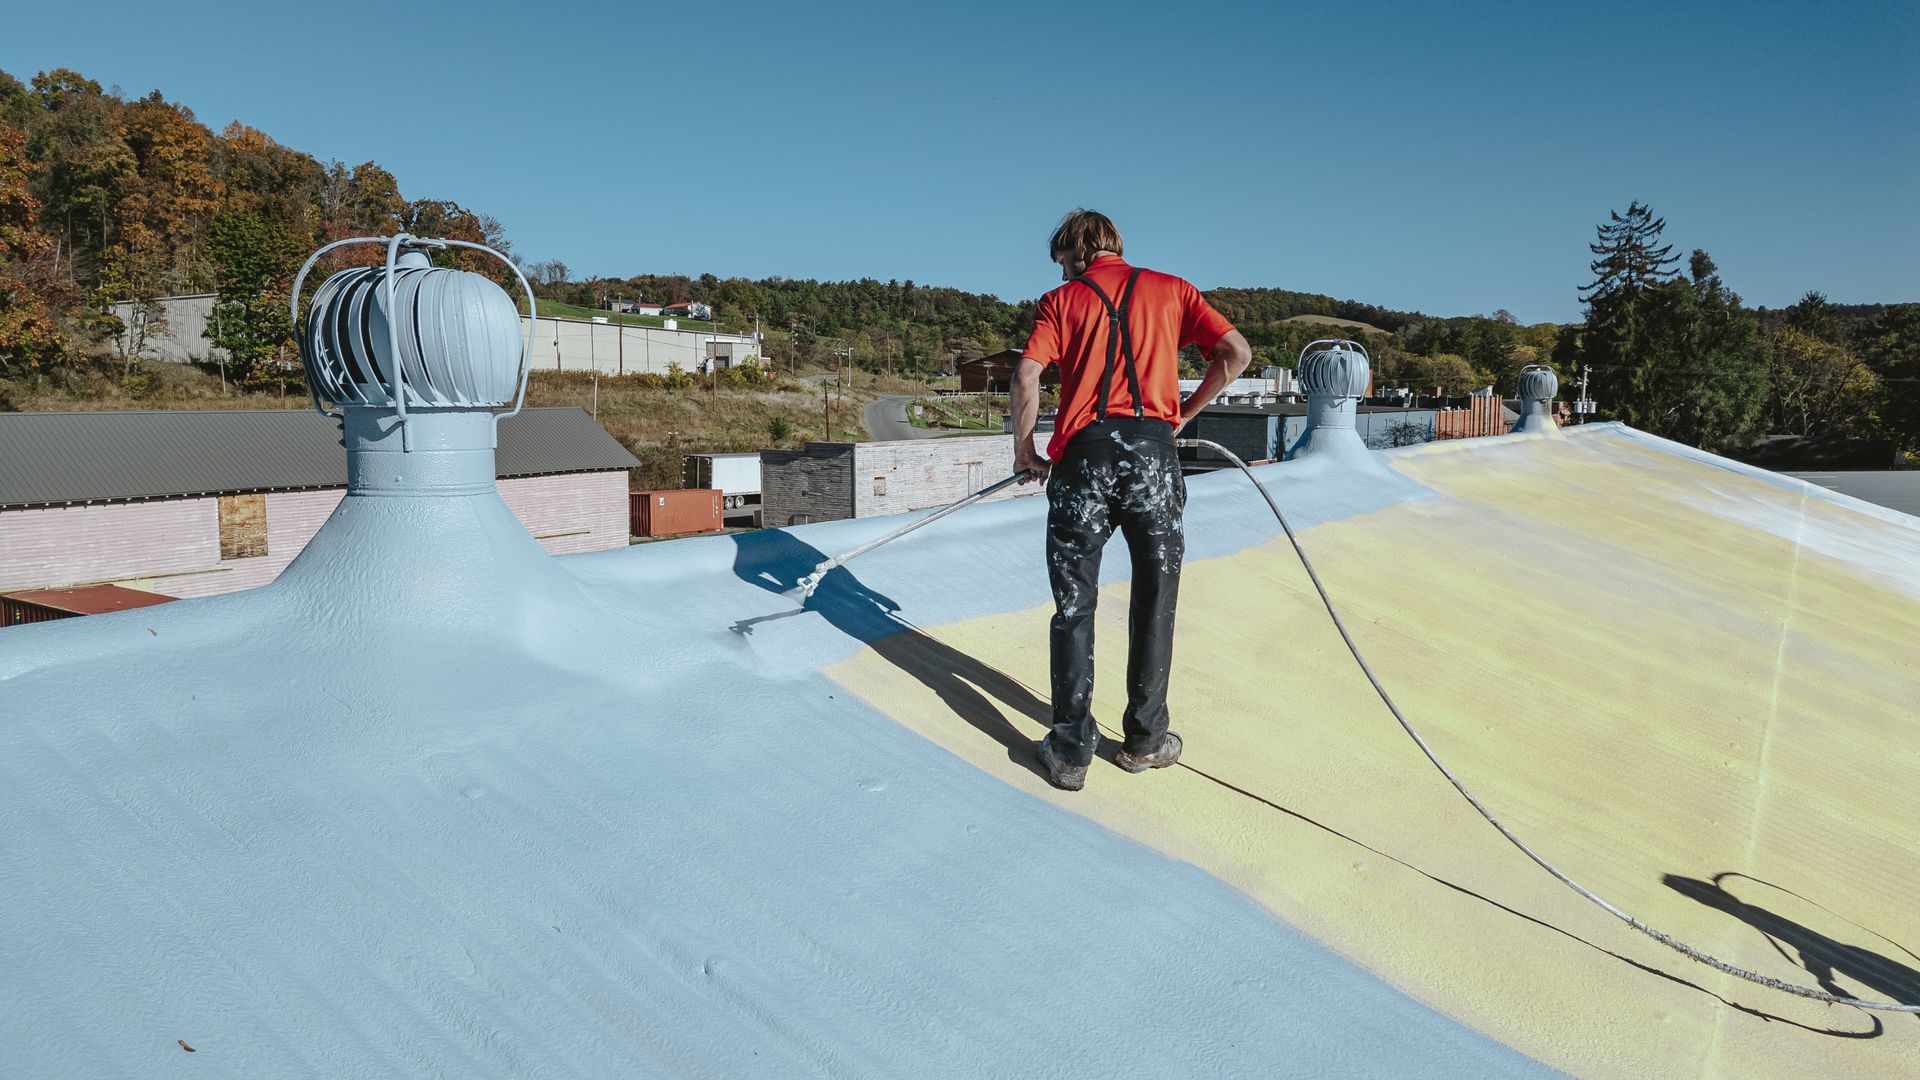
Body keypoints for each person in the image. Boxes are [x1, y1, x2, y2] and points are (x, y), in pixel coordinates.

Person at [1010, 209, 1252, 791]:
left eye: (1067, 264)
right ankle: (1144, 741)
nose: (1066, 274)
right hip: (1153, 461)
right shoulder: (1173, 290)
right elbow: (1236, 353)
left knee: (1074, 606)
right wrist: (1182, 415)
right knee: (1156, 597)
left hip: (1082, 462)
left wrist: (1025, 452)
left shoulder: (1060, 301)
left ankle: (1069, 751)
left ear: (1079, 253)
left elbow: (1026, 377)